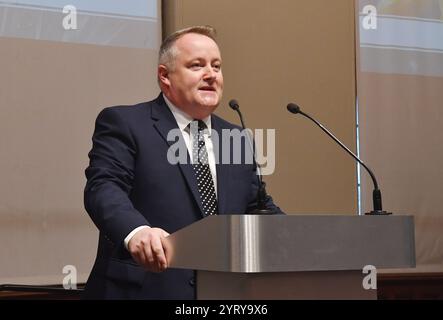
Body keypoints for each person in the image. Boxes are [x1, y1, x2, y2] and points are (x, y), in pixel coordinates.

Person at [83, 25, 282, 300]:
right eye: (197, 65)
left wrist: (304, 240)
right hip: (145, 290)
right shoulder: (126, 123)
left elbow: (256, 207)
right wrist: (136, 231)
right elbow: (104, 188)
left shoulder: (236, 137)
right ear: (165, 76)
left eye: (217, 66)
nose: (211, 75)